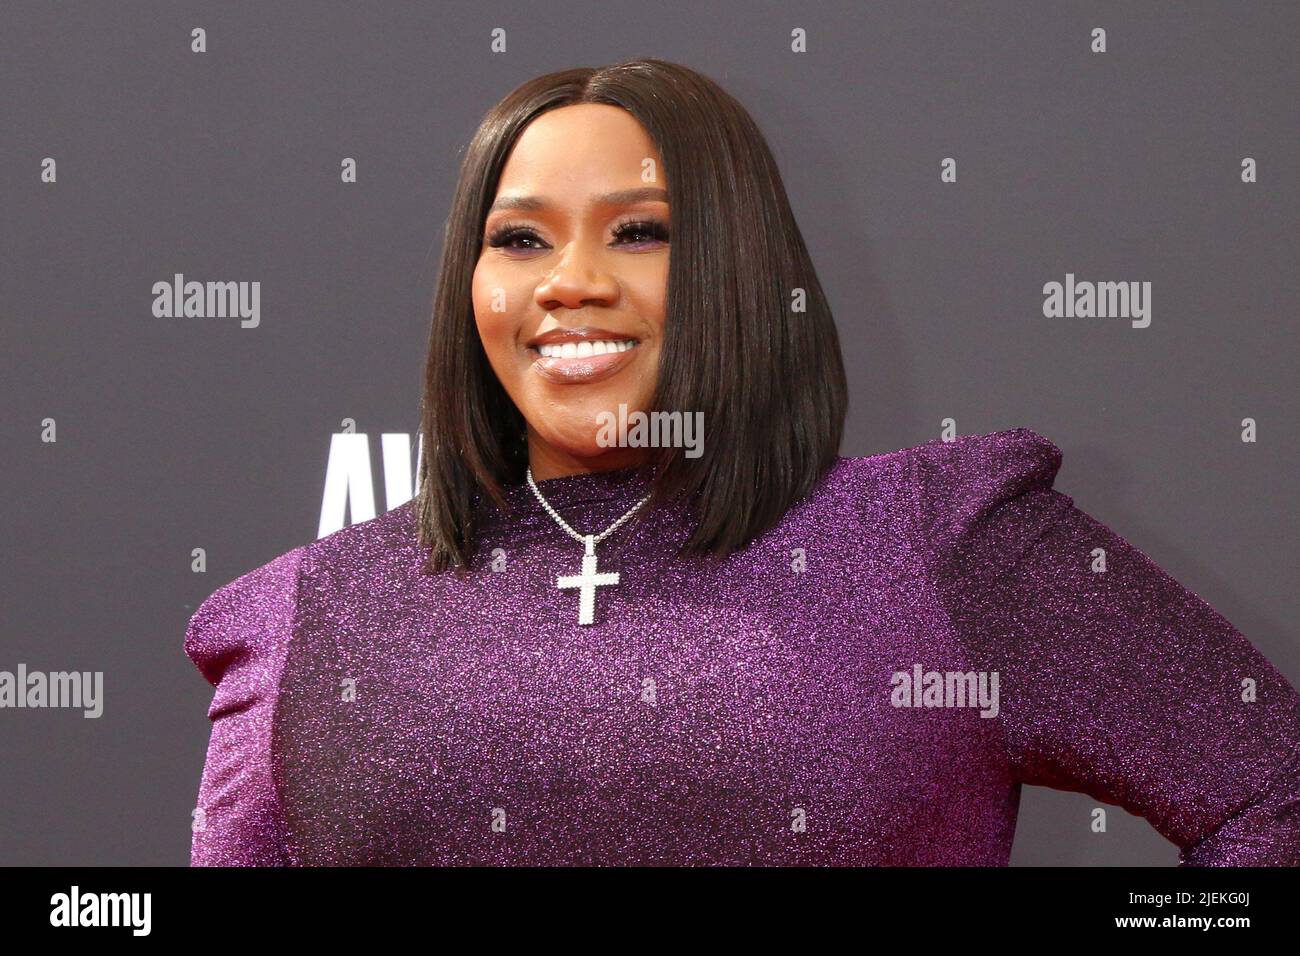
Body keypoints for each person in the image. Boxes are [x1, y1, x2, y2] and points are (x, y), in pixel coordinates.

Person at [184, 58, 1300, 865]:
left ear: (744, 269)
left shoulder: (942, 547)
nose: (567, 280)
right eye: (518, 238)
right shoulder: (310, 613)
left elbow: (1271, 793)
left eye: (641, 230)